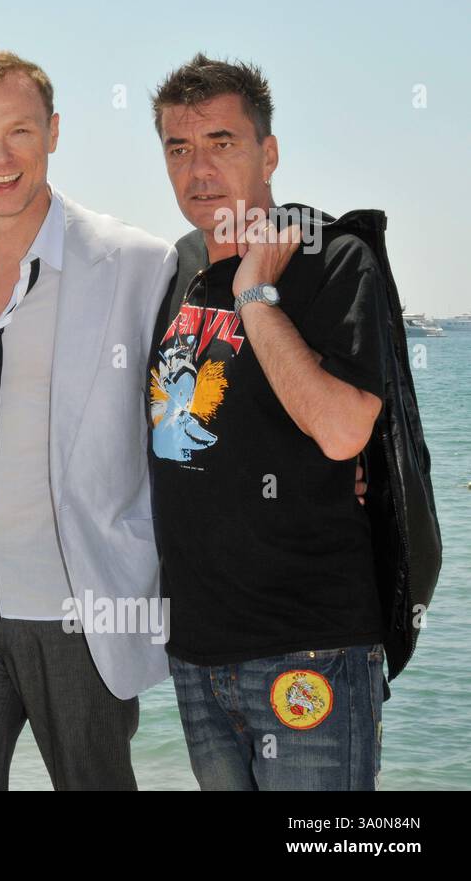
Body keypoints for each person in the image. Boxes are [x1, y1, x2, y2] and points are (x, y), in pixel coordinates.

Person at [0, 44, 176, 790]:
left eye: (20, 130)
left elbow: (188, 420)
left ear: (54, 131)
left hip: (79, 609)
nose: (1, 155)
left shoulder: (138, 263)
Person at [148, 53, 387, 790]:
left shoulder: (332, 259)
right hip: (196, 656)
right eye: (179, 149)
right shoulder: (178, 274)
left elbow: (345, 430)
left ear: (269, 152)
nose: (199, 169)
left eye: (222, 142)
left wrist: (256, 292)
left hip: (308, 650)